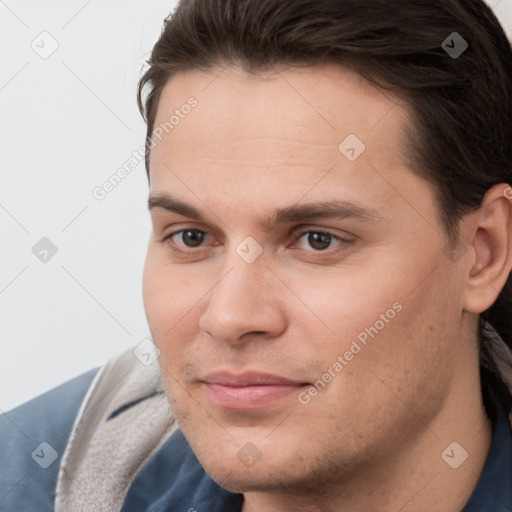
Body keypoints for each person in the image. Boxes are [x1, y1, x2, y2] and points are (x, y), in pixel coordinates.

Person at [2, 0, 512, 510]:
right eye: (192, 237)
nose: (229, 317)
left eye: (318, 240)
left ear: (483, 252)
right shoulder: (30, 481)